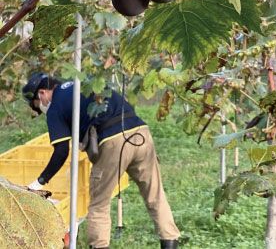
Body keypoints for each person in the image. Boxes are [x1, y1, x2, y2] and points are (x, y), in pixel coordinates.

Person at [22, 72, 180, 249]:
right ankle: (170, 241)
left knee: (99, 205)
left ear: (42, 93)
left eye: (37, 105)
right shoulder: (83, 84)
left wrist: (39, 182)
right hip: (140, 131)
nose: (41, 109)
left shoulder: (55, 107)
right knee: (155, 194)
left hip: (112, 140)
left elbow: (61, 151)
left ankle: (99, 245)